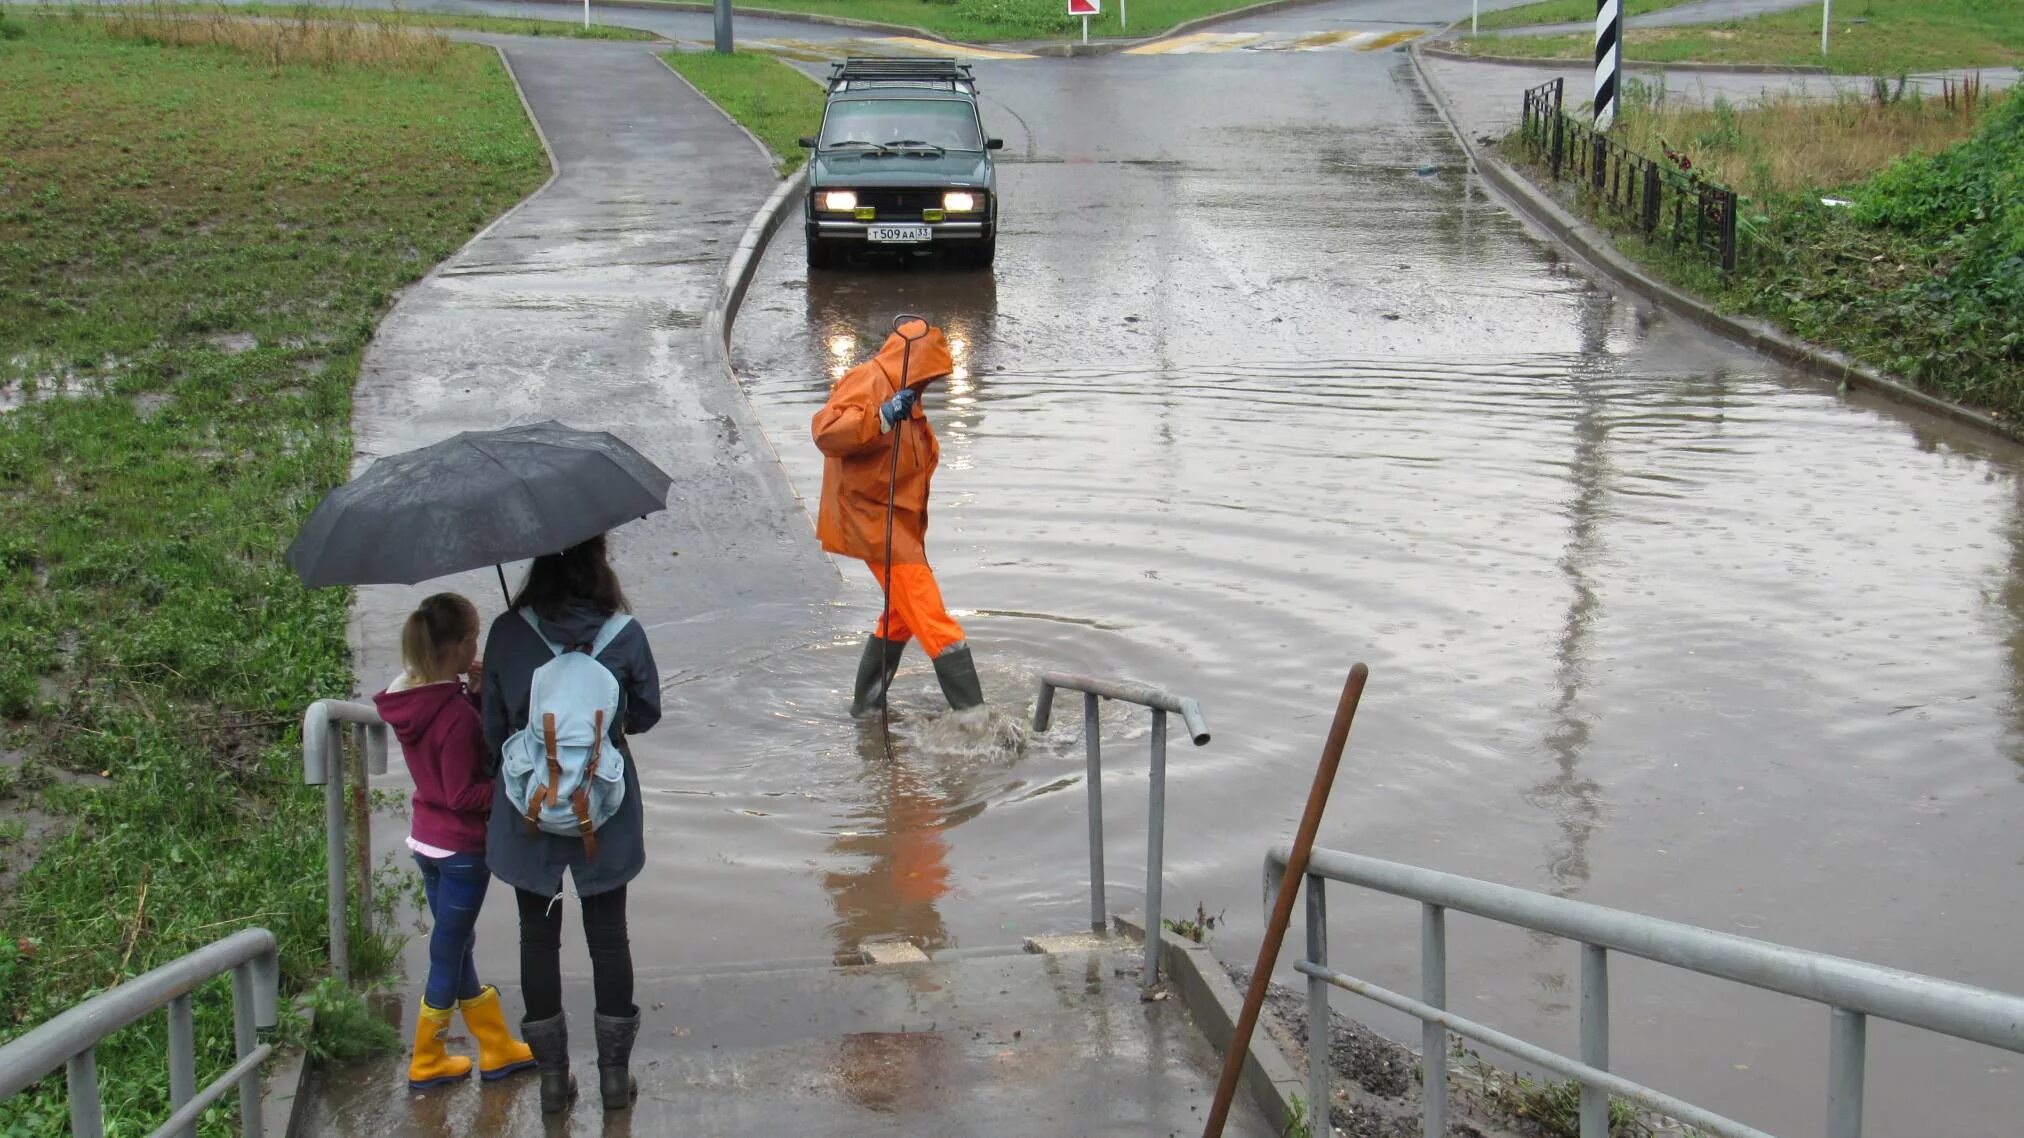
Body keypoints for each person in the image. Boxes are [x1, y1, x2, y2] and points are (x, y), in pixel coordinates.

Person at [481, 535, 661, 1114]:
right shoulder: (623, 632)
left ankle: (554, 1083)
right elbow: (649, 712)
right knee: (609, 938)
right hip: (603, 809)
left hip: (529, 810)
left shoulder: (508, 633)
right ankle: (614, 1079)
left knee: (537, 938)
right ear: (599, 558)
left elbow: (492, 734)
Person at [372, 593, 536, 1092]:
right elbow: (462, 790)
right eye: (477, 636)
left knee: (457, 946)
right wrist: (512, 789)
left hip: (427, 841)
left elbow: (443, 765)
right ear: (464, 645)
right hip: (463, 850)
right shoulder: (454, 717)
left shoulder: (416, 700)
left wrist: (480, 698)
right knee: (448, 951)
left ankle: (496, 1046)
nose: (478, 645)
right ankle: (427, 1058)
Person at [812, 317, 985, 719]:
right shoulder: (869, 381)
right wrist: (882, 417)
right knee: (931, 616)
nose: (931, 385)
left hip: (896, 524)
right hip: (873, 521)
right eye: (930, 377)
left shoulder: (908, 393)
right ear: (915, 363)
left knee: (900, 617)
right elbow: (827, 433)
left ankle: (867, 708)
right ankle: (976, 720)